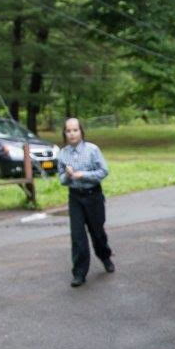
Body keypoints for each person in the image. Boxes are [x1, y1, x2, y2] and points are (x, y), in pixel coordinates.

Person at [57, 117, 113, 287]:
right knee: (78, 236)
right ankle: (79, 273)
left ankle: (105, 256)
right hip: (75, 197)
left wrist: (83, 175)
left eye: (75, 130)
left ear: (81, 131)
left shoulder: (92, 149)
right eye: (68, 131)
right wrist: (67, 175)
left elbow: (104, 171)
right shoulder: (63, 153)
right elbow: (61, 179)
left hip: (93, 195)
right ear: (65, 133)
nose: (72, 134)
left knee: (97, 233)